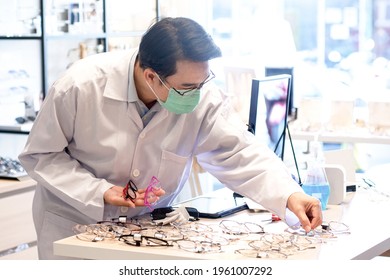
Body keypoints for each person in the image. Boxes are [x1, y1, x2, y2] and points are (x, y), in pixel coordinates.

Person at [19, 17, 322, 260]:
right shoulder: (80, 86)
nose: (197, 94)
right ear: (151, 76)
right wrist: (99, 191)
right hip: (74, 222)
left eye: (203, 82)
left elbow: (238, 151)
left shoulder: (201, 94)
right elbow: (40, 156)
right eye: (187, 86)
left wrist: (288, 194)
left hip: (148, 229)